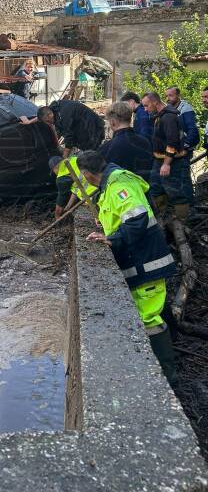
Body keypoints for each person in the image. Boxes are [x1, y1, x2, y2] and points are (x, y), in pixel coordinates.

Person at [77, 150, 176, 383]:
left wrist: (113, 239)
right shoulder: (110, 184)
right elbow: (119, 216)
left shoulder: (119, 183)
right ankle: (167, 355)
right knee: (152, 312)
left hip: (146, 262)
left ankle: (166, 377)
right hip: (138, 261)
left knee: (149, 317)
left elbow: (137, 218)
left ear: (87, 174)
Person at [141, 91, 192, 221]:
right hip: (159, 160)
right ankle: (164, 218)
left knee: (176, 193)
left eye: (147, 106)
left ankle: (183, 222)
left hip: (172, 161)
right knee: (155, 188)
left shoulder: (168, 117)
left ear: (154, 102)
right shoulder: (159, 115)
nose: (145, 109)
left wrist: (166, 163)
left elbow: (172, 142)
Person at [99, 101, 153, 181]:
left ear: (113, 122)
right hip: (144, 190)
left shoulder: (107, 148)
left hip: (121, 191)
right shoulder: (145, 142)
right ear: (130, 118)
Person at [165, 86, 200, 154]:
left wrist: (186, 144)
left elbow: (192, 128)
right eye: (166, 96)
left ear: (178, 95)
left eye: (171, 95)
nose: (168, 98)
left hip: (184, 148)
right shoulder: (169, 108)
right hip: (173, 147)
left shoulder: (186, 108)